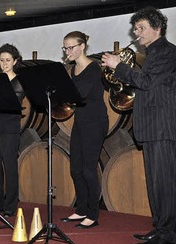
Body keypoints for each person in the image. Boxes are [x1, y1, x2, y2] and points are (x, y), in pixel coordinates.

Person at [102, 7, 176, 244]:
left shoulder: (167, 52)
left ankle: (168, 235)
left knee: (164, 183)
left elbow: (146, 82)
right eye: (135, 29)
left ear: (157, 28)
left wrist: (119, 66)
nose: (137, 34)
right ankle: (160, 228)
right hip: (152, 128)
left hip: (162, 128)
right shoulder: (152, 55)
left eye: (141, 28)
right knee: (155, 182)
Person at [59, 32, 108, 229]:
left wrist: (61, 89)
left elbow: (81, 95)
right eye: (65, 48)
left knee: (88, 169)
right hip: (80, 122)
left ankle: (93, 214)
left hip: (95, 122)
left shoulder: (93, 68)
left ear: (82, 46)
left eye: (71, 47)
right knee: (75, 169)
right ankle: (81, 208)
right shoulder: (73, 70)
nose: (67, 51)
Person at [0, 44, 25, 217]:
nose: (4, 63)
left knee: (10, 167)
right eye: (1, 60)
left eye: (8, 60)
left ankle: (10, 205)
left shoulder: (19, 82)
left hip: (9, 129)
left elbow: (12, 101)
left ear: (15, 61)